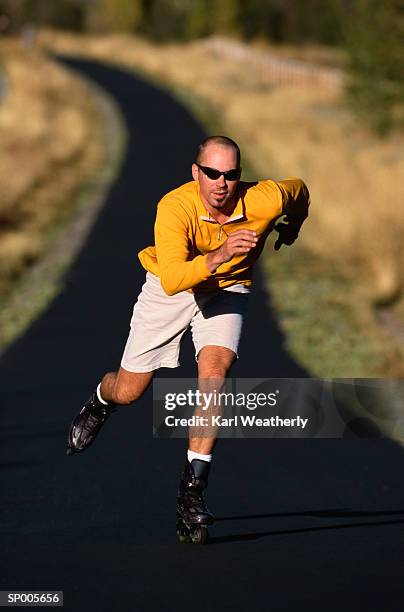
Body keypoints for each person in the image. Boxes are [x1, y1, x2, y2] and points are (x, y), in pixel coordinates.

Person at [67, 135, 310, 543]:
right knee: (130, 391)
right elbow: (175, 277)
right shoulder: (175, 206)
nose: (221, 183)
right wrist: (219, 254)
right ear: (196, 173)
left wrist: (294, 224)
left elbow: (298, 190)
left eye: (231, 175)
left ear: (239, 177)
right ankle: (100, 400)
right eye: (212, 173)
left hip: (227, 291)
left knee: (215, 377)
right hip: (172, 289)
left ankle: (192, 494)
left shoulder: (264, 198)